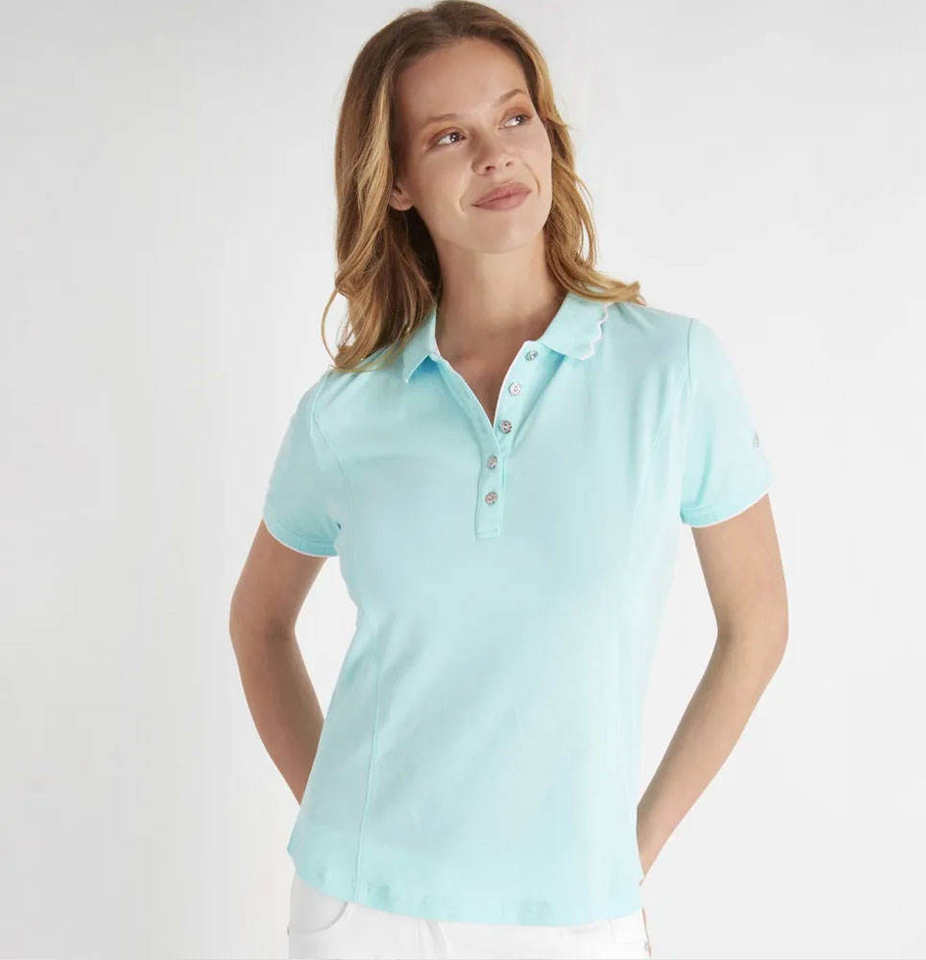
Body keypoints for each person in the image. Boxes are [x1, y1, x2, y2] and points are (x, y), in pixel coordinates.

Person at [228, 2, 789, 957]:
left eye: (514, 116)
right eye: (449, 136)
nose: (496, 155)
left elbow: (757, 625)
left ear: (548, 136)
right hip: (360, 915)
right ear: (396, 181)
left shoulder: (672, 371)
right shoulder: (346, 411)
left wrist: (631, 849)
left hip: (576, 914)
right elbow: (260, 623)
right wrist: (341, 822)